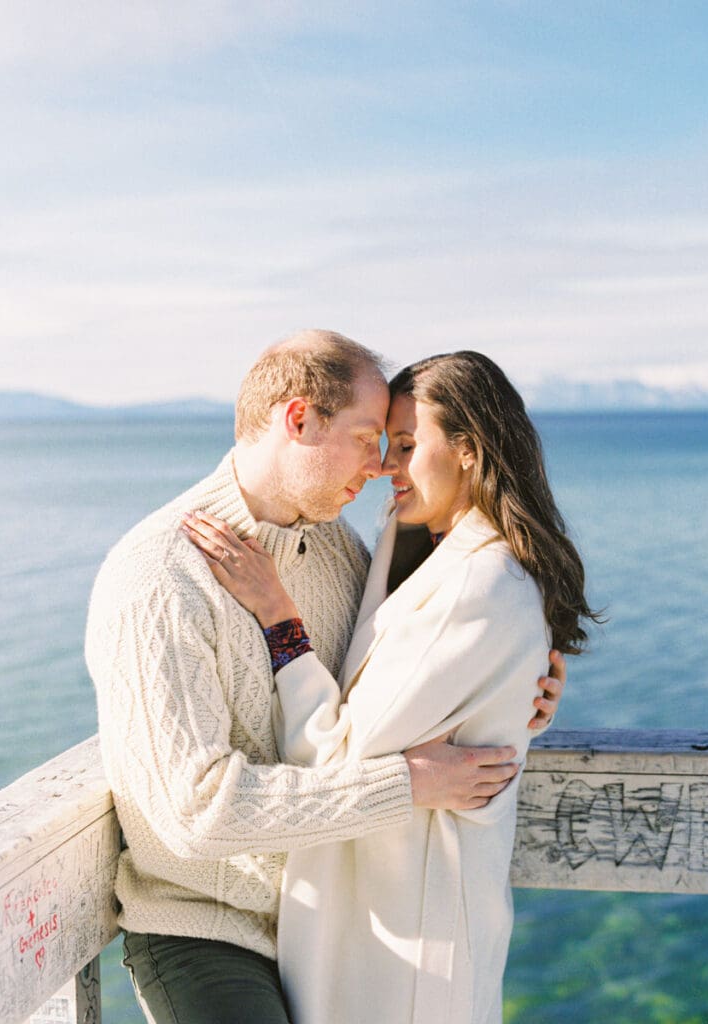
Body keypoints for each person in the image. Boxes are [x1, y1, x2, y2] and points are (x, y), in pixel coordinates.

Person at [86, 332, 565, 1024]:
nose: (377, 468)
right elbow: (197, 814)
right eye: (369, 438)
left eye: (394, 444)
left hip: (321, 920)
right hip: (208, 925)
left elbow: (387, 694)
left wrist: (514, 691)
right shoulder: (160, 576)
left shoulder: (342, 551)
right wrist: (409, 783)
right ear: (299, 420)